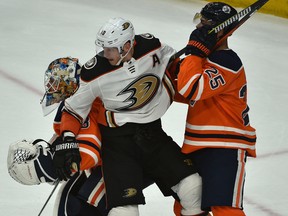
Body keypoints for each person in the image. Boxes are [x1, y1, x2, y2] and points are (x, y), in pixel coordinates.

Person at [55, 17, 208, 216]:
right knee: (125, 212)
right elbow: (73, 109)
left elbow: (174, 64)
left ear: (128, 45)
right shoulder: (95, 72)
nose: (105, 53)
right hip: (118, 144)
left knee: (193, 188)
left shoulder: (152, 46)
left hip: (152, 134)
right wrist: (67, 139)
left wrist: (200, 50)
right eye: (103, 48)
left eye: (111, 48)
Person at [174, 2, 257, 216]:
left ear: (219, 29)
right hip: (198, 144)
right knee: (187, 205)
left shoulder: (227, 61)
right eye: (199, 21)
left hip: (225, 146)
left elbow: (191, 89)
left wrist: (192, 54)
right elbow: (181, 92)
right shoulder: (206, 59)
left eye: (205, 23)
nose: (199, 27)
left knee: (225, 208)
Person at [7, 57, 107, 216]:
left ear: (71, 86)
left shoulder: (85, 103)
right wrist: (54, 153)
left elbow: (90, 152)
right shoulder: (75, 101)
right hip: (103, 161)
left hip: (120, 161)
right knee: (66, 197)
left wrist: (50, 167)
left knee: (87, 202)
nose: (52, 87)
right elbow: (64, 137)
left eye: (57, 83)